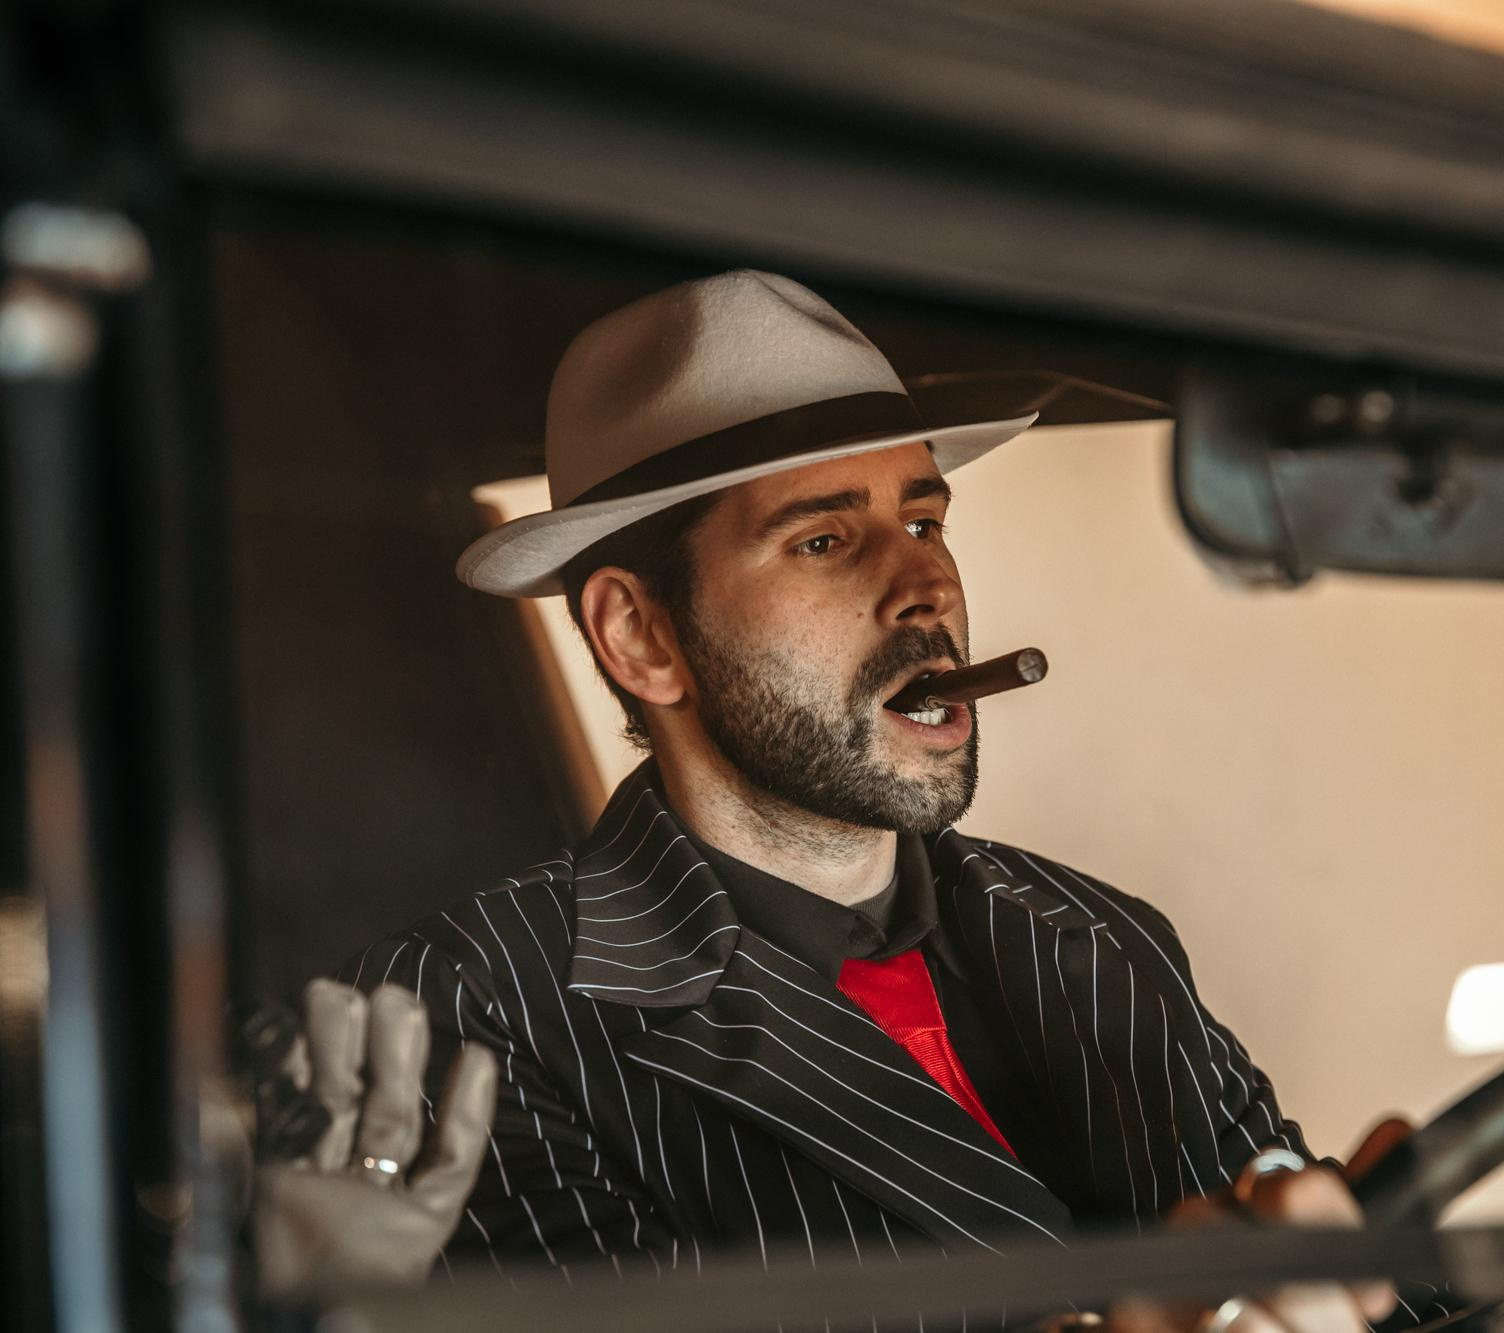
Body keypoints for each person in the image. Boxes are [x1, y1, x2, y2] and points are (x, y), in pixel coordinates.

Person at [332, 271, 1414, 1330]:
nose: (927, 589)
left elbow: (1349, 1285)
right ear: (641, 636)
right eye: (823, 540)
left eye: (925, 523)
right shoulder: (467, 1010)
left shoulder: (1103, 936)